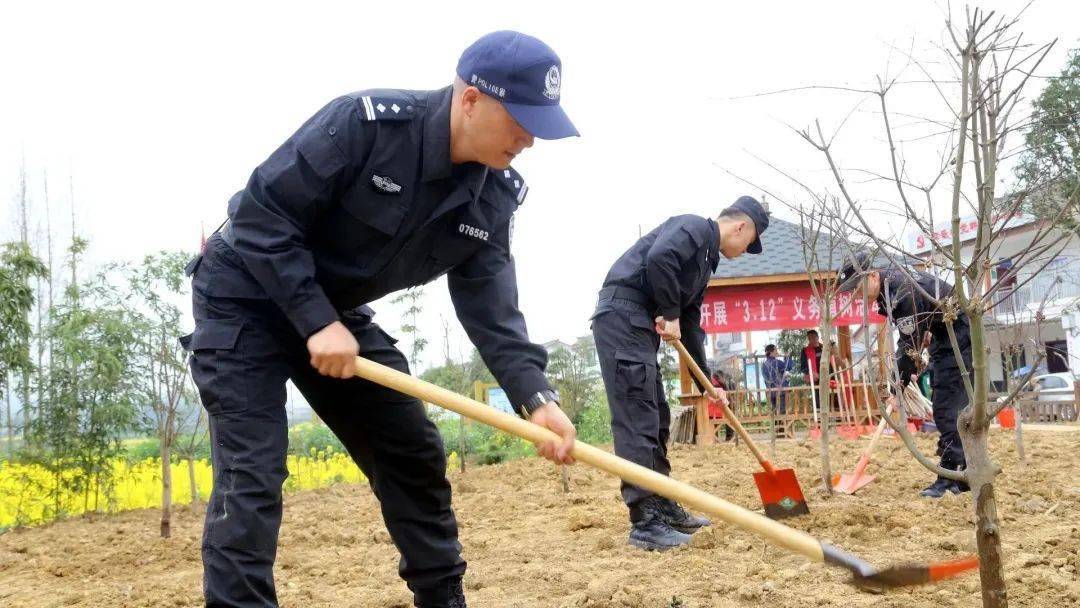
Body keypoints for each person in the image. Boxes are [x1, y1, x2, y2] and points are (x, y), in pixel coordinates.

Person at [181, 31, 579, 608]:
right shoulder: (365, 125)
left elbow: (492, 308)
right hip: (243, 295)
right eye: (520, 119)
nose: (530, 139)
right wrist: (315, 320)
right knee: (253, 472)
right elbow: (260, 216)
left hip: (334, 315)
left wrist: (536, 397)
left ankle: (442, 599)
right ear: (470, 100)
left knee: (411, 448)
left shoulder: (493, 197)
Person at [591, 197, 770, 550]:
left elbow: (690, 324)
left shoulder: (705, 261)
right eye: (748, 244)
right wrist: (669, 311)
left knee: (657, 416)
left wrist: (706, 381)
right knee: (637, 417)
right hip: (623, 317)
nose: (744, 251)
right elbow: (660, 258)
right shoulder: (694, 227)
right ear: (741, 227)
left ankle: (662, 501)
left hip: (639, 326)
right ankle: (645, 520)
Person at [838, 250, 971, 498]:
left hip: (960, 336)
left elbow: (909, 344)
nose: (855, 294)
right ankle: (963, 475)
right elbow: (916, 332)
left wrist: (895, 387)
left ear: (873, 275)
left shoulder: (900, 291)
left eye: (857, 286)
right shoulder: (889, 287)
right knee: (950, 407)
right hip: (946, 334)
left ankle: (951, 477)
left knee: (946, 409)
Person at [762, 344, 786, 415]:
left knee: (774, 410)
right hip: (779, 390)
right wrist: (787, 357)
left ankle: (776, 425)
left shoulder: (764, 364)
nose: (777, 352)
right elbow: (789, 367)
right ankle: (781, 426)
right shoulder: (777, 362)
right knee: (781, 411)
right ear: (771, 352)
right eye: (776, 350)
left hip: (771, 391)